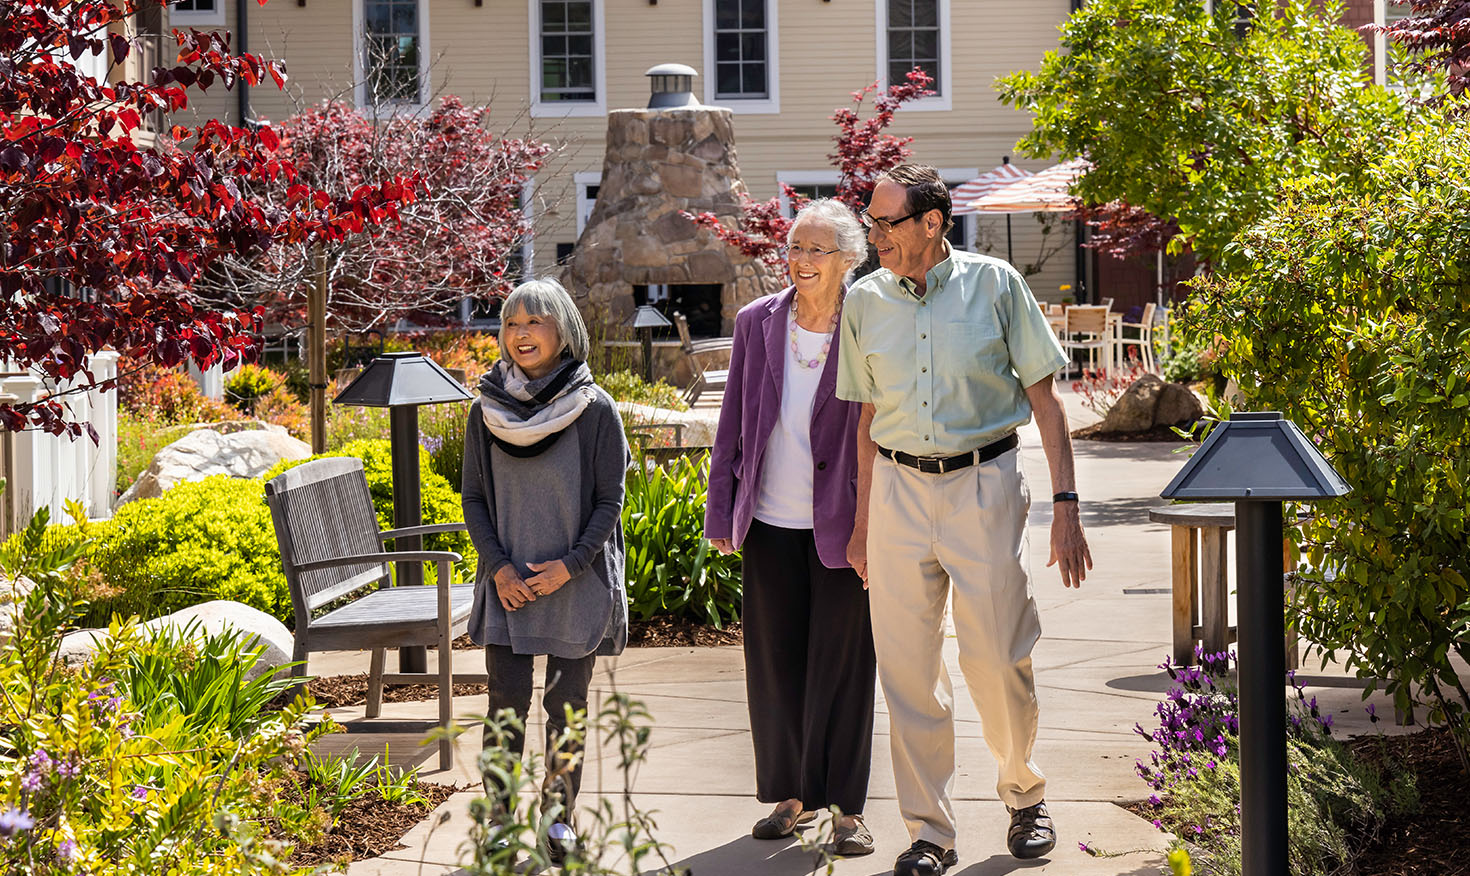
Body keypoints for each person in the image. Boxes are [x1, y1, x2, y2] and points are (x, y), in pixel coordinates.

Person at [836, 165, 1092, 876]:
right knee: (909, 670)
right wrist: (861, 523)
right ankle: (929, 833)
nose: (874, 234)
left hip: (984, 481)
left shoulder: (996, 285)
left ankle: (1023, 795)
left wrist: (1067, 508)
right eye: (871, 222)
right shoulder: (864, 300)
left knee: (998, 652)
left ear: (931, 223)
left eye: (887, 222)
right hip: (895, 492)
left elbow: (1046, 404)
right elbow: (864, 422)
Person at [705, 199, 878, 857]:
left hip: (845, 525)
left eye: (816, 250)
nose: (801, 261)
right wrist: (721, 510)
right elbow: (733, 424)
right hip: (771, 519)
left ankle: (848, 810)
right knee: (775, 664)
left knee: (843, 666)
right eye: (795, 248)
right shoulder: (757, 322)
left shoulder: (868, 323)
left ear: (847, 260)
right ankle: (791, 798)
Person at [461, 277, 630, 864]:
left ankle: (558, 821)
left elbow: (611, 500)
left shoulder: (595, 409)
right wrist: (499, 569)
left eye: (535, 322)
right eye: (511, 323)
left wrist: (571, 566)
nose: (521, 334)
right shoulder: (484, 410)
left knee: (567, 709)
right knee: (504, 706)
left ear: (563, 331)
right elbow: (474, 499)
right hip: (508, 586)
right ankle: (500, 821)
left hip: (573, 583)